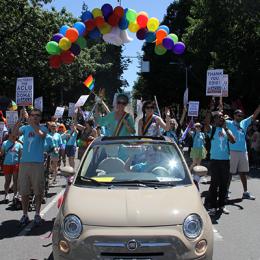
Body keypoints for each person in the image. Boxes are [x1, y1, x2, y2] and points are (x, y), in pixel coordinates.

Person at [13, 108, 48, 226]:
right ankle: (25, 214)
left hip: (37, 164)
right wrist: (20, 118)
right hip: (24, 164)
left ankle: (37, 214)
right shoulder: (26, 128)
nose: (35, 117)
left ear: (40, 117)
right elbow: (14, 133)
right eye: (33, 115)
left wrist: (30, 121)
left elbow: (41, 135)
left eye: (37, 115)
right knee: (24, 191)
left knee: (38, 191)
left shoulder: (43, 128)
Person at [204, 111, 236, 216]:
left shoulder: (226, 129)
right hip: (215, 160)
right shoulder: (212, 130)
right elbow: (206, 123)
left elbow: (233, 140)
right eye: (218, 117)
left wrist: (226, 128)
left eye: (222, 117)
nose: (221, 118)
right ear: (215, 120)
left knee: (224, 184)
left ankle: (222, 205)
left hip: (225, 160)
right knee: (214, 184)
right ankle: (213, 207)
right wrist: (211, 110)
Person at [226, 106, 260, 200]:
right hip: (232, 151)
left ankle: (245, 192)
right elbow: (219, 120)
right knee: (230, 173)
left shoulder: (244, 123)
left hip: (243, 151)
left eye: (241, 115)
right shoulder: (229, 123)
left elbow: (254, 115)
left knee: (243, 172)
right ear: (234, 115)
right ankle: (226, 191)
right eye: (238, 115)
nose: (240, 116)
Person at [0, 130, 23, 203]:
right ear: (9, 134)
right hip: (7, 164)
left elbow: (20, 156)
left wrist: (20, 165)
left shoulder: (19, 144)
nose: (14, 136)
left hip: (16, 165)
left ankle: (15, 195)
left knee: (15, 181)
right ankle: (6, 195)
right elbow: (2, 153)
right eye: (13, 134)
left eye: (16, 134)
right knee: (7, 180)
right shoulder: (5, 143)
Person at [189, 122, 207, 190]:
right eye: (196, 126)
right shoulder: (194, 133)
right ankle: (189, 173)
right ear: (195, 127)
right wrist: (190, 127)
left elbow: (203, 142)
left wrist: (204, 149)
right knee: (194, 163)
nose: (198, 127)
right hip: (195, 149)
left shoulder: (202, 134)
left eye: (199, 126)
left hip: (201, 149)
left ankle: (197, 177)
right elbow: (189, 132)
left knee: (198, 164)